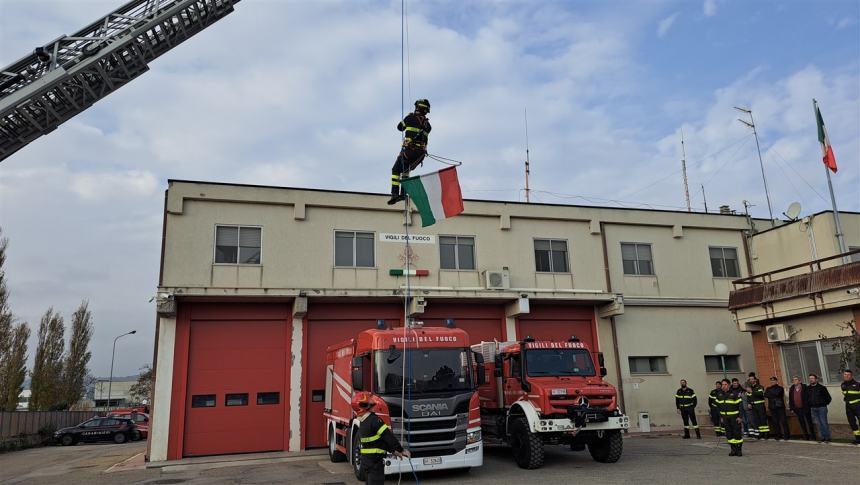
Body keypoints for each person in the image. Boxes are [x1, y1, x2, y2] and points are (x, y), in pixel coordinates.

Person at [353, 391, 410, 484]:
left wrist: (393, 451)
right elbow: (388, 437)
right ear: (365, 405)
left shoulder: (364, 423)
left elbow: (378, 442)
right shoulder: (374, 420)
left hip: (367, 462)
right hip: (376, 463)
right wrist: (401, 450)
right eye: (370, 402)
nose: (373, 403)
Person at [388, 99, 432, 205]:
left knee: (395, 170)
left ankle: (395, 194)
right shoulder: (428, 126)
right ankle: (403, 194)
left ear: (417, 108)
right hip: (420, 154)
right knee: (405, 171)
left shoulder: (410, 118)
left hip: (410, 151)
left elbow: (400, 127)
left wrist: (408, 117)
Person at [716, 378, 744, 457]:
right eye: (722, 385)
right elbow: (718, 407)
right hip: (725, 418)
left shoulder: (734, 393)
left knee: (737, 434)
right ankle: (733, 450)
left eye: (725, 384)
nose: (723, 386)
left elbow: (740, 406)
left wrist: (740, 417)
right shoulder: (719, 394)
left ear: (728, 385)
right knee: (729, 434)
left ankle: (739, 450)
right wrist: (721, 417)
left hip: (734, 417)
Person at [788, 375, 815, 441]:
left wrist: (808, 405)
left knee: (809, 422)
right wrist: (792, 408)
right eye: (793, 380)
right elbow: (791, 399)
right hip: (797, 409)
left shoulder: (804, 387)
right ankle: (806, 436)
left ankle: (813, 436)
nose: (794, 381)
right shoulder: (792, 388)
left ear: (800, 381)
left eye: (796, 379)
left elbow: (808, 397)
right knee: (802, 423)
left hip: (805, 408)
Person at [807, 373, 832, 442]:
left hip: (822, 408)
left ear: (816, 379)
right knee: (818, 423)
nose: (811, 380)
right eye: (810, 379)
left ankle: (827, 437)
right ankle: (822, 437)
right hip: (813, 408)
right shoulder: (808, 388)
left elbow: (828, 398)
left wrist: (823, 404)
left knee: (823, 422)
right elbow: (807, 398)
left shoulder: (822, 388)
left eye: (812, 378)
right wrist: (810, 404)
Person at [765, 376, 790, 440]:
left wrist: (770, 394)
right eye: (771, 381)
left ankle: (786, 435)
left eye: (773, 381)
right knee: (775, 422)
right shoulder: (768, 388)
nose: (772, 382)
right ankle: (778, 435)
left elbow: (777, 393)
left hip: (780, 407)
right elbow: (765, 395)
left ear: (776, 381)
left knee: (783, 421)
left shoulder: (780, 388)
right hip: (772, 407)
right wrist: (771, 394)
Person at [840, 369, 860, 445]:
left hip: (858, 406)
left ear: (851, 376)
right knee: (852, 423)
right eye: (845, 374)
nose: (846, 376)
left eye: (848, 375)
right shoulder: (843, 385)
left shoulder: (857, 384)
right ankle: (858, 439)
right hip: (848, 407)